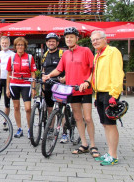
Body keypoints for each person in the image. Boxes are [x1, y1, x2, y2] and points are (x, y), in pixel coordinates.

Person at [43, 27, 99, 158]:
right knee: (78, 118)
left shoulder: (85, 51)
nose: (69, 39)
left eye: (71, 37)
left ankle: (93, 145)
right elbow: (58, 69)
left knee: (88, 118)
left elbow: (93, 69)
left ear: (77, 38)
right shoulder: (65, 54)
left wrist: (87, 81)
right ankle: (84, 144)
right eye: (67, 37)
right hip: (72, 90)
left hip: (85, 90)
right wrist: (48, 76)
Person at [89, 30, 124, 166]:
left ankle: (113, 155)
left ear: (105, 39)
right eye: (93, 40)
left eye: (98, 39)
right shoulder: (97, 55)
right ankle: (109, 153)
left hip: (110, 93)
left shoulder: (112, 52)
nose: (95, 42)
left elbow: (117, 73)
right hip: (100, 93)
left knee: (110, 125)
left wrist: (114, 95)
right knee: (105, 124)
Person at [6, 37, 37, 139]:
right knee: (16, 107)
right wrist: (7, 89)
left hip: (26, 84)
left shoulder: (29, 57)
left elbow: (33, 74)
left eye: (22, 45)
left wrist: (33, 88)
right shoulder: (12, 58)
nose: (20, 47)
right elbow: (8, 74)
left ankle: (29, 129)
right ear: (15, 46)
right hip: (14, 84)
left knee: (28, 108)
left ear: (25, 46)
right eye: (18, 45)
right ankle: (19, 128)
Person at [41, 33, 67, 143]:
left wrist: (65, 78)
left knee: (61, 109)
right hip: (48, 84)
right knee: (50, 109)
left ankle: (64, 133)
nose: (51, 43)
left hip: (60, 84)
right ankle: (50, 129)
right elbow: (43, 70)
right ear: (46, 43)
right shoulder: (45, 55)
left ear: (57, 43)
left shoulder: (62, 54)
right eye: (49, 41)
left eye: (53, 41)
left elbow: (68, 68)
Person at [0, 36, 14, 131]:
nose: (4, 44)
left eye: (6, 43)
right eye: (2, 43)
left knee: (7, 102)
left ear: (9, 43)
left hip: (8, 80)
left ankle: (5, 121)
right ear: (0, 43)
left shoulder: (13, 54)